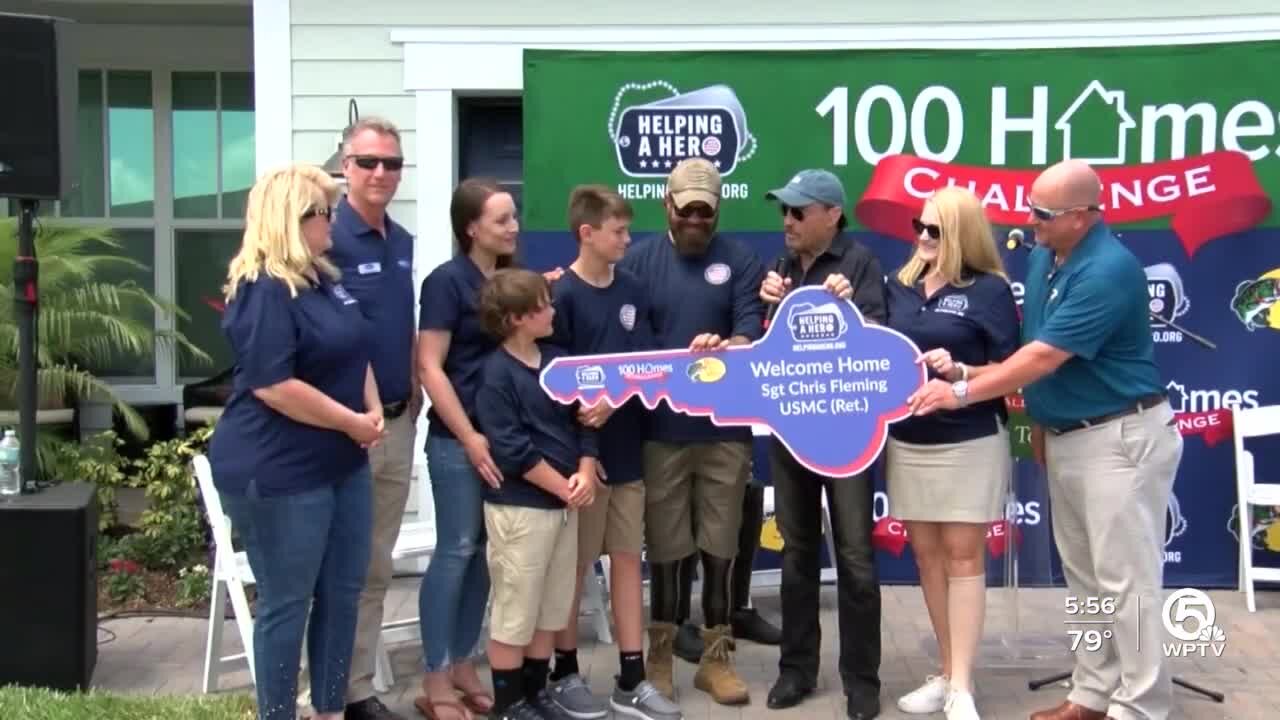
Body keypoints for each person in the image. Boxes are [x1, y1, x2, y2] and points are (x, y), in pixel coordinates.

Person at [908, 160, 1184, 720]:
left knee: (1126, 584)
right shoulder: (1044, 258)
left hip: (1119, 437)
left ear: (1082, 217)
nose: (1030, 223)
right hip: (1069, 436)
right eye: (1031, 209)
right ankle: (1091, 692)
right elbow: (1029, 350)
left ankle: (1142, 706)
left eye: (1044, 214)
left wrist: (962, 392)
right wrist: (1033, 417)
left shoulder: (1107, 269)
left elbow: (1043, 356)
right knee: (1084, 580)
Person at [208, 163, 383, 720]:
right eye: (322, 212)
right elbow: (274, 386)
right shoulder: (264, 290)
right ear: (291, 219)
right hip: (279, 469)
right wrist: (352, 422)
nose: (333, 220)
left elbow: (355, 349)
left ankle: (329, 709)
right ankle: (278, 712)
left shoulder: (325, 280)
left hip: (341, 462)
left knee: (341, 593)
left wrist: (372, 407)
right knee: (288, 602)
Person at [619, 157, 765, 705]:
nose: (697, 222)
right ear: (668, 207)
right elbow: (632, 344)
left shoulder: (741, 260)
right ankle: (660, 655)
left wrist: (732, 345)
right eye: (688, 212)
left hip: (724, 428)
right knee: (666, 543)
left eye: (706, 212)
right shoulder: (639, 263)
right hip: (660, 430)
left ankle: (715, 657)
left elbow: (749, 325)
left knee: (721, 544)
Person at [541, 185, 682, 720]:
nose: (628, 238)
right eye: (619, 231)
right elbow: (552, 382)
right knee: (573, 568)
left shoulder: (634, 289)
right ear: (588, 233)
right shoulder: (561, 296)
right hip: (579, 459)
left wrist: (616, 397)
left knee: (627, 560)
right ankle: (565, 670)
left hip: (628, 451)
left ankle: (631, 678)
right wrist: (584, 429)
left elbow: (647, 365)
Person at [883, 187, 1020, 720]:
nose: (921, 236)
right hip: (909, 440)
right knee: (927, 558)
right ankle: (944, 671)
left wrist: (962, 371)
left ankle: (963, 685)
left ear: (961, 233)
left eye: (934, 231)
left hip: (968, 438)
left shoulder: (989, 291)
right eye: (919, 225)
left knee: (964, 557)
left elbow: (1010, 370)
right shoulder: (900, 285)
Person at [756, 169, 887, 720]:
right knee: (796, 552)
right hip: (791, 435)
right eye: (784, 210)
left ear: (832, 215)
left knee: (855, 558)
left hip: (848, 440)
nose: (787, 220)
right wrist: (767, 312)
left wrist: (848, 310)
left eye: (798, 211)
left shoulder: (860, 264)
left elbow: (881, 341)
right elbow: (766, 359)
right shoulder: (781, 268)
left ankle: (861, 680)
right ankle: (797, 671)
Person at [325, 116, 419, 720]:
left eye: (391, 163)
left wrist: (411, 386)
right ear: (344, 167)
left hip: (398, 420)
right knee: (342, 567)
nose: (380, 173)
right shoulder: (324, 238)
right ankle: (330, 693)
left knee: (377, 565)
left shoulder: (401, 240)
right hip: (343, 431)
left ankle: (357, 690)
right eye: (368, 163)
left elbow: (398, 323)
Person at [415, 178, 519, 720]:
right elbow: (430, 366)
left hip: (504, 442)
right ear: (471, 227)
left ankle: (463, 664)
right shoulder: (445, 283)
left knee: (482, 556)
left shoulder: (509, 281)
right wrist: (469, 436)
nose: (513, 227)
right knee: (455, 548)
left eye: (514, 217)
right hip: (458, 442)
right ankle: (434, 675)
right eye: (501, 220)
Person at [474, 268, 599, 720]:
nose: (553, 311)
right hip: (522, 510)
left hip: (564, 506)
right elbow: (511, 449)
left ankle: (536, 691)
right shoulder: (495, 375)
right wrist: (565, 487)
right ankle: (508, 705)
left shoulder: (557, 362)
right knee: (516, 606)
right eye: (542, 306)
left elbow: (585, 421)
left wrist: (585, 469)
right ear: (515, 319)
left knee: (551, 604)